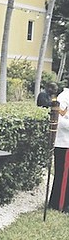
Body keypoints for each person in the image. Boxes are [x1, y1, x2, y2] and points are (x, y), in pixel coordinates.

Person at [49, 83, 69, 212]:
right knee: (63, 176)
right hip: (64, 144)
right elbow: (58, 119)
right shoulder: (64, 97)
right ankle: (59, 204)